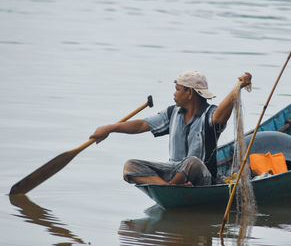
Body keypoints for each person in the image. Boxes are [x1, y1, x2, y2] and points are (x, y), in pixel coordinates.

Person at [90, 71, 252, 186]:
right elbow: (141, 125)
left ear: (190, 93)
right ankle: (170, 187)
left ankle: (170, 187)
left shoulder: (209, 114)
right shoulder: (172, 113)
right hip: (173, 171)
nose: (174, 94)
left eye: (178, 90)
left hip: (201, 176)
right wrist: (110, 128)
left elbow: (220, 116)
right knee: (130, 166)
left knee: (192, 162)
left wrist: (237, 87)